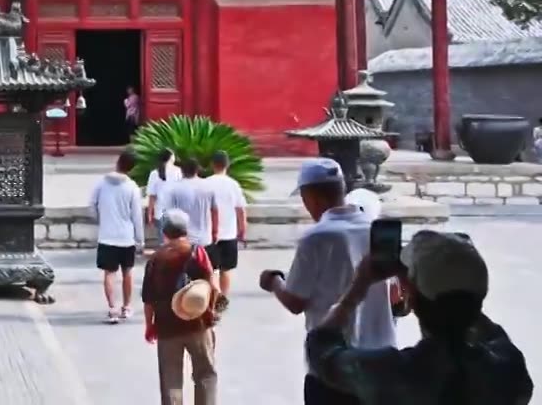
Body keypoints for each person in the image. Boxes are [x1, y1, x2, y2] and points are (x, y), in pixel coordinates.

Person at [305, 230, 533, 404]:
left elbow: (320, 347)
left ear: (411, 297)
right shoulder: (509, 369)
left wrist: (358, 288)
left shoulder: (390, 373)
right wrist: (461, 296)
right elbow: (491, 333)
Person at [259, 159, 396, 405]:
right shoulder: (376, 231)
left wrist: (274, 281)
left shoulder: (316, 238)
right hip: (382, 362)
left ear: (310, 196)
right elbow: (396, 297)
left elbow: (295, 302)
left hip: (333, 364)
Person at [142, 209, 218, 405]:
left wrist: (149, 325)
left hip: (167, 327)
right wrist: (211, 310)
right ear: (186, 229)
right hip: (198, 322)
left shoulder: (156, 259)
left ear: (164, 232)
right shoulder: (196, 251)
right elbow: (213, 285)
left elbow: (148, 299)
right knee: (205, 374)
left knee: (170, 380)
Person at [90, 151, 144, 323]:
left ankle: (112, 308)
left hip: (107, 236)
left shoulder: (101, 184)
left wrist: (100, 219)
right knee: (127, 272)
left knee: (109, 274)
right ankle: (127, 307)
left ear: (117, 162)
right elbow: (136, 216)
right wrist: (140, 239)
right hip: (126, 237)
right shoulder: (132, 188)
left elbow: (91, 205)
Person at [205, 151, 246, 306]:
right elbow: (240, 209)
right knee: (226, 269)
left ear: (212, 165)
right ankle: (223, 298)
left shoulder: (206, 183)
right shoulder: (233, 184)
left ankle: (213, 297)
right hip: (229, 232)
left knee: (212, 269)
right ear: (227, 165)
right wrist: (242, 228)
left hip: (209, 233)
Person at [160, 157, 216, 248]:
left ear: (182, 171)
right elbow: (214, 211)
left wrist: (166, 237)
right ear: (197, 170)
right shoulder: (208, 187)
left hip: (182, 242)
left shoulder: (174, 188)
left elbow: (167, 214)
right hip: (205, 239)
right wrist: (215, 232)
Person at [145, 148, 182, 232]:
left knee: (163, 242)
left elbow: (152, 196)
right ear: (171, 157)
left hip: (160, 213)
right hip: (176, 213)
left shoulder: (154, 173)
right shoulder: (178, 172)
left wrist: (149, 214)